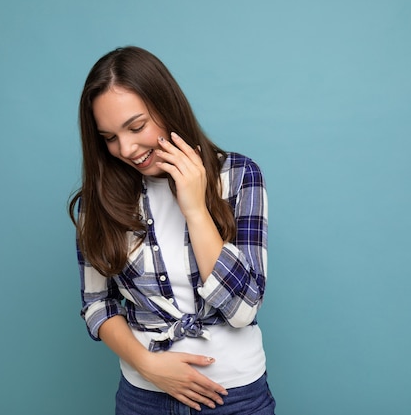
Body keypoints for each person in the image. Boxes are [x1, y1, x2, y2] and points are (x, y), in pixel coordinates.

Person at [69, 46, 275, 414]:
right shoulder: (97, 202)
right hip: (141, 398)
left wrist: (195, 209)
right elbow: (96, 304)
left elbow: (243, 310)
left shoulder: (239, 178)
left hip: (235, 398)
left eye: (136, 127)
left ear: (167, 107)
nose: (127, 148)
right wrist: (149, 366)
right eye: (110, 137)